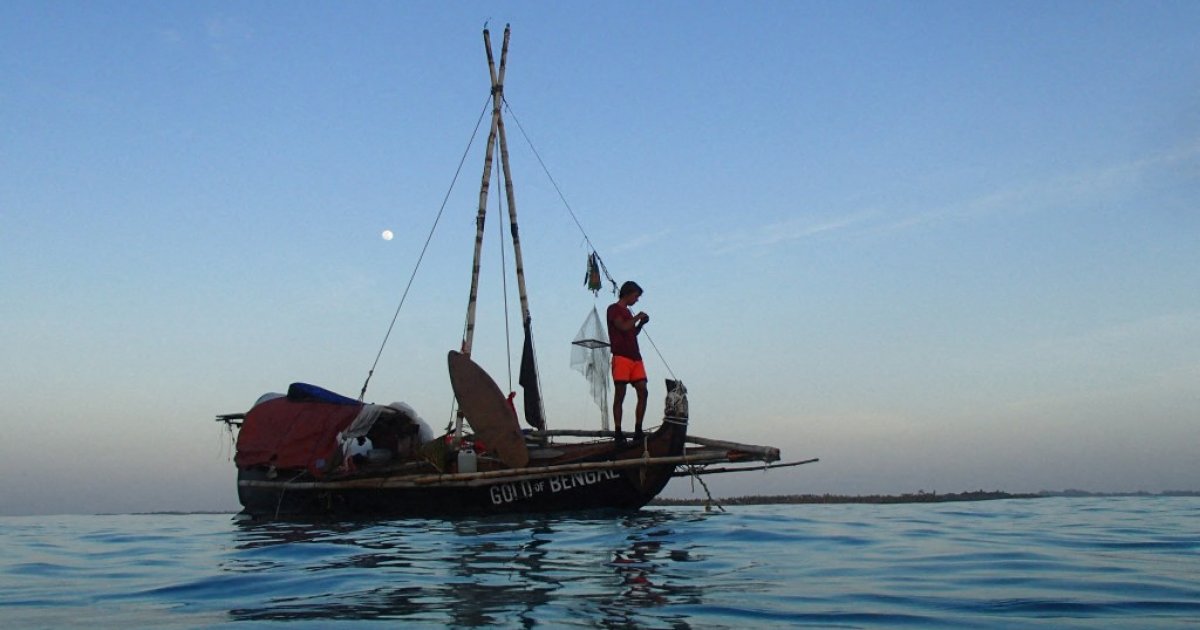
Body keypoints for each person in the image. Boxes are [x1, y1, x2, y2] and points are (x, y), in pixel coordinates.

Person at [607, 280, 649, 444]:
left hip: (635, 357)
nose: (637, 300)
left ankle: (638, 428)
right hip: (621, 357)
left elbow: (631, 332)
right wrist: (637, 316)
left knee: (643, 391)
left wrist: (640, 324)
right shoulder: (614, 309)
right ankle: (618, 430)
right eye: (636, 296)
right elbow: (623, 327)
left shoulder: (628, 314)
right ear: (629, 294)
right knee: (620, 394)